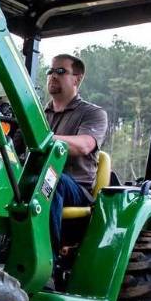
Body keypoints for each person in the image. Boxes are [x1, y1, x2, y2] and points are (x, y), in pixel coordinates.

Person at [45, 54, 108, 251]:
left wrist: (43, 138)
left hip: (75, 188)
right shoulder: (37, 114)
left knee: (50, 180)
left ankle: (48, 260)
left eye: (60, 71)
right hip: (35, 178)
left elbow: (84, 145)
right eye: (50, 71)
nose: (53, 75)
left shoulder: (93, 113)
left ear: (77, 78)